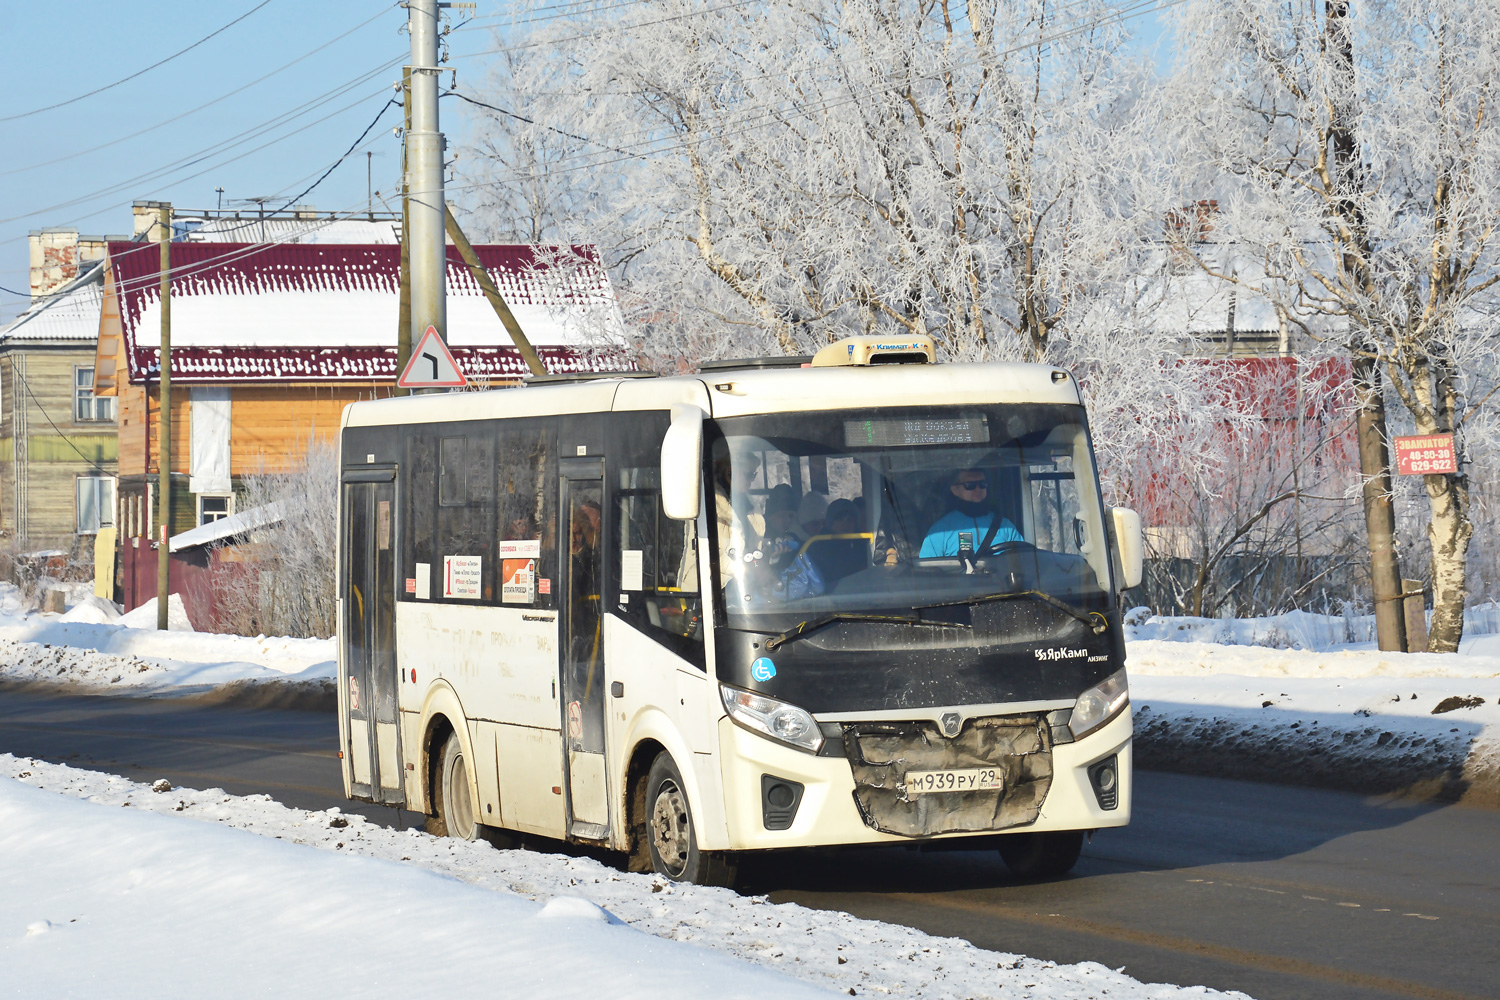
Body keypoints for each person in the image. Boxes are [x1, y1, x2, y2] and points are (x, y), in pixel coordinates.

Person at [919, 469, 1022, 558]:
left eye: (982, 484)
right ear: (955, 490)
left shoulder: (1006, 527)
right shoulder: (940, 530)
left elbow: (1024, 561)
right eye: (970, 485)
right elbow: (928, 571)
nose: (978, 489)